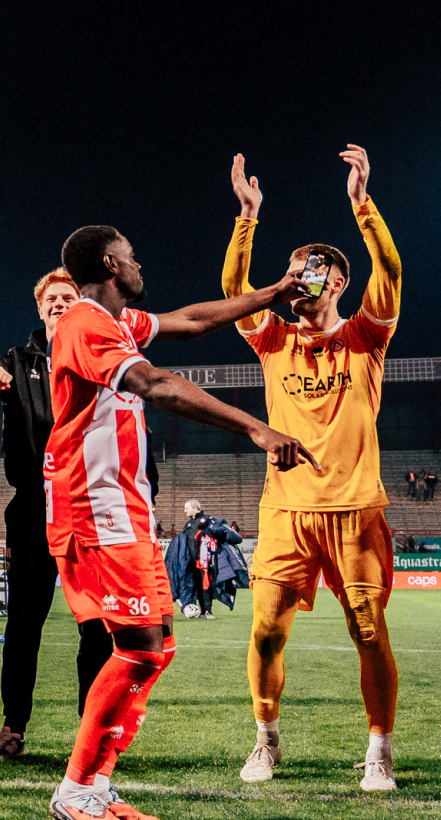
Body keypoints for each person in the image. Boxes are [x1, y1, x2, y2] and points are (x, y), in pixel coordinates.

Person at [42, 223, 314, 820]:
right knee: (138, 648)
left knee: (156, 645)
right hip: (94, 511)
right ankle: (77, 791)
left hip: (123, 512)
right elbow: (154, 383)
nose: (140, 266)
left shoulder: (117, 323)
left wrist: (273, 292)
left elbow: (191, 320)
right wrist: (255, 427)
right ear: (112, 263)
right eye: (133, 257)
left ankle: (95, 785)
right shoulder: (83, 322)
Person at [223, 146, 404, 790]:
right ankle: (266, 740)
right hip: (285, 511)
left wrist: (362, 203)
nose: (299, 280)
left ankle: (377, 748)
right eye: (294, 270)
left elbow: (391, 265)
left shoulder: (366, 337)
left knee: (366, 630)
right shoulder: (273, 338)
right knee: (267, 629)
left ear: (337, 284)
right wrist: (248, 216)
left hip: (355, 513)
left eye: (311, 272)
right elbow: (233, 294)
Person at [0, 267, 116, 761]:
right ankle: (13, 726)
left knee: (97, 626)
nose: (59, 303)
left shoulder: (104, 354)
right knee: (23, 625)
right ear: (40, 309)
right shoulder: (18, 362)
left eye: (68, 296)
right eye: (51, 299)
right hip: (34, 510)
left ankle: (91, 733)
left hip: (90, 508)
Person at [170, 501, 244, 619]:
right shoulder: (187, 525)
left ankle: (207, 611)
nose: (185, 511)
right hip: (190, 562)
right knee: (194, 585)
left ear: (195, 508)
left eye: (186, 508)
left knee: (206, 585)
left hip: (206, 561)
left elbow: (226, 534)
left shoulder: (209, 520)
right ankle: (197, 609)